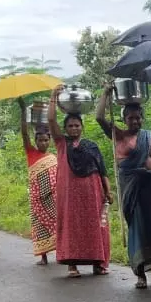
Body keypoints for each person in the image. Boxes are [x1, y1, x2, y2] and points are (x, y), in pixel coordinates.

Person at [97, 81, 151, 288]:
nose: (135, 121)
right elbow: (100, 117)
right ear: (124, 119)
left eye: (138, 118)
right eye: (131, 118)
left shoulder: (149, 136)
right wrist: (106, 93)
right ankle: (141, 274)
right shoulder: (118, 135)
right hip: (133, 190)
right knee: (138, 228)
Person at [48, 88, 111, 277]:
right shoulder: (62, 144)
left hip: (92, 194)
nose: (74, 129)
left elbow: (102, 171)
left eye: (77, 125)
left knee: (95, 226)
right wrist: (53, 98)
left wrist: (108, 191)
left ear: (82, 127)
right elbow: (51, 120)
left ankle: (98, 263)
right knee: (71, 226)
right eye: (70, 126)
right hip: (69, 195)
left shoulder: (91, 146)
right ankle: (72, 265)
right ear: (66, 129)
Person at [19, 98, 57, 266]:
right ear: (35, 141)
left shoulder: (52, 157)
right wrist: (22, 112)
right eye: (40, 140)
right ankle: (43, 256)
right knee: (40, 226)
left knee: (58, 223)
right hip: (37, 199)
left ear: (50, 140)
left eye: (46, 140)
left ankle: (61, 253)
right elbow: (24, 134)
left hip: (53, 198)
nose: (43, 143)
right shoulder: (31, 153)